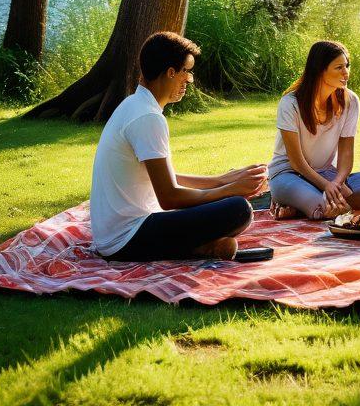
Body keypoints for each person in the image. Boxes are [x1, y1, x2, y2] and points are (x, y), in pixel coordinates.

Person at [90, 31, 267, 262]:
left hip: (115, 234)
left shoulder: (134, 104)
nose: (189, 80)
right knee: (238, 210)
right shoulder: (147, 117)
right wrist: (231, 190)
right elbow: (169, 197)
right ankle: (196, 248)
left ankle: (201, 247)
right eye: (187, 72)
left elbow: (165, 178)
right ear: (171, 72)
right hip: (127, 239)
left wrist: (223, 179)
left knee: (228, 206)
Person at [268, 40, 360, 220]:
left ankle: (298, 206)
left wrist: (336, 183)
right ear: (320, 70)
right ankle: (303, 201)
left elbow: (346, 154)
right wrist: (326, 186)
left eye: (347, 66)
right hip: (289, 173)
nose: (346, 73)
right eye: (339, 67)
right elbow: (296, 162)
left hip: (325, 172)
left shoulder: (350, 101)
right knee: (321, 207)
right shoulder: (290, 103)